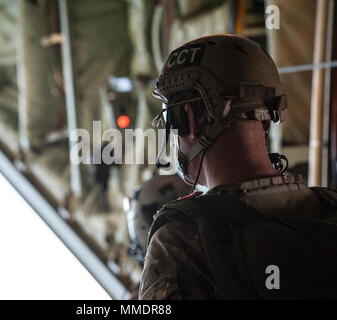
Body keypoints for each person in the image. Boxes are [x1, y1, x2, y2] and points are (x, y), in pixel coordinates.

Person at [139, 34, 337, 300]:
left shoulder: (181, 237)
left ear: (189, 117)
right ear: (268, 115)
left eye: (168, 116)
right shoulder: (330, 206)